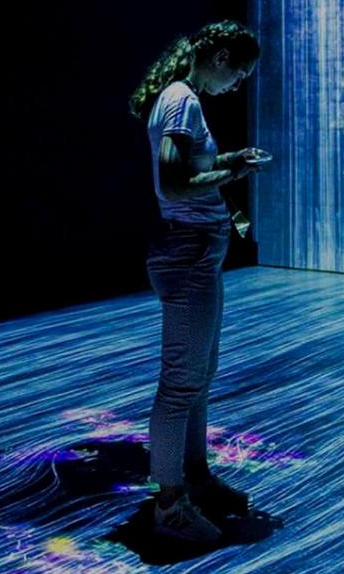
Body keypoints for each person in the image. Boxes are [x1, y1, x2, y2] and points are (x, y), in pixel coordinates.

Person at [129, 20, 263, 543]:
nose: (239, 85)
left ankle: (196, 479)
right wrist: (231, 175)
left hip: (195, 254)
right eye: (242, 73)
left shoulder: (183, 98)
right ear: (223, 57)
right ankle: (169, 503)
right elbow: (174, 181)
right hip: (187, 254)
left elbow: (188, 168)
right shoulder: (181, 99)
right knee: (182, 382)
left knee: (198, 377)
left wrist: (230, 159)